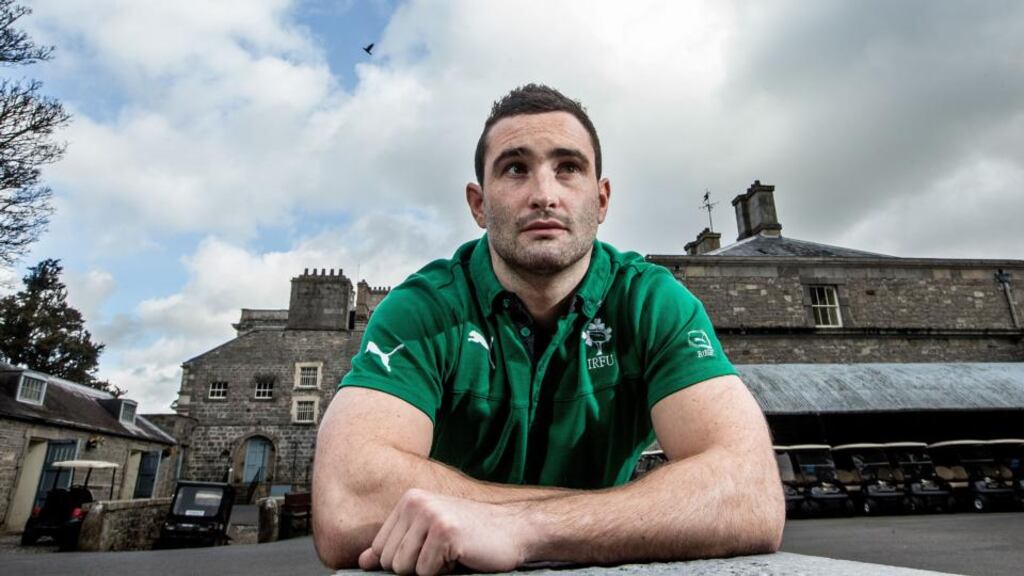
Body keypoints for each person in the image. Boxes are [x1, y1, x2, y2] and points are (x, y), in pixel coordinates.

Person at [313, 84, 784, 574]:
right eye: (516, 168)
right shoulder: (421, 309)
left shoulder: (653, 302)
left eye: (569, 168)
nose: (544, 194)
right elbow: (348, 503)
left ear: (601, 199)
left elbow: (748, 491)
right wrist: (622, 513)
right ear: (478, 203)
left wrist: (522, 527)